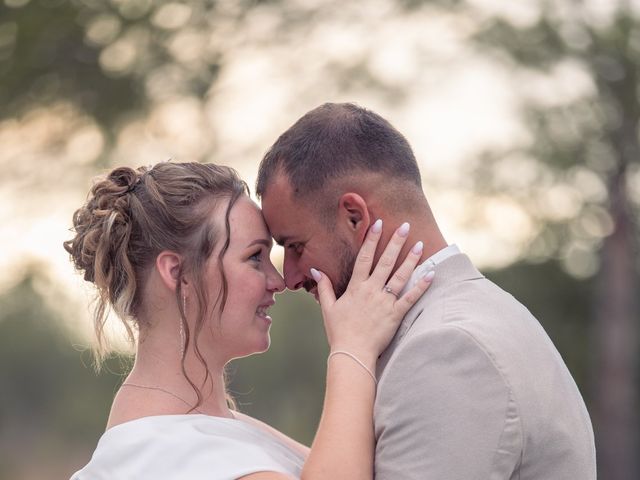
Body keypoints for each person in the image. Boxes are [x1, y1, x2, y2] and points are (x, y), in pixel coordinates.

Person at [256, 102, 597, 479]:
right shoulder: (487, 313)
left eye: (295, 246)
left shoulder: (446, 347)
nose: (288, 277)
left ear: (354, 216)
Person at [65, 161, 433, 479]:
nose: (280, 281)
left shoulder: (213, 427)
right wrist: (352, 349)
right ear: (178, 273)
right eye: (255, 257)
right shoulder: (158, 451)